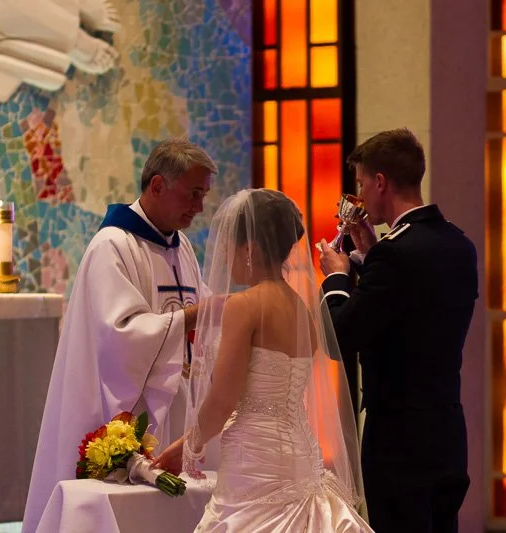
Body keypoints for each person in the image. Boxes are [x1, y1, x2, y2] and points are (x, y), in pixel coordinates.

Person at [23, 138, 217, 533]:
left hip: (176, 408)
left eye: (204, 196)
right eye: (193, 194)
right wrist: (199, 315)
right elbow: (120, 335)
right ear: (158, 186)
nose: (199, 207)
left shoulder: (182, 249)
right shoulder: (112, 245)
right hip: (120, 415)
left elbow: (203, 316)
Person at [153, 188, 372, 532]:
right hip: (299, 455)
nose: (224, 257)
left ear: (250, 249)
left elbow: (223, 400)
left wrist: (187, 447)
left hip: (255, 462)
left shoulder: (245, 305)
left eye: (229, 246)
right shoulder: (300, 307)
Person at [318, 128, 479, 533]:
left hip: (398, 438)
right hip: (446, 431)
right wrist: (370, 256)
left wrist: (336, 279)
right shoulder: (458, 244)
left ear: (380, 182)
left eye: (360, 182)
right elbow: (410, 304)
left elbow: (342, 336)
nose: (360, 193)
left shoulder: (396, 254)